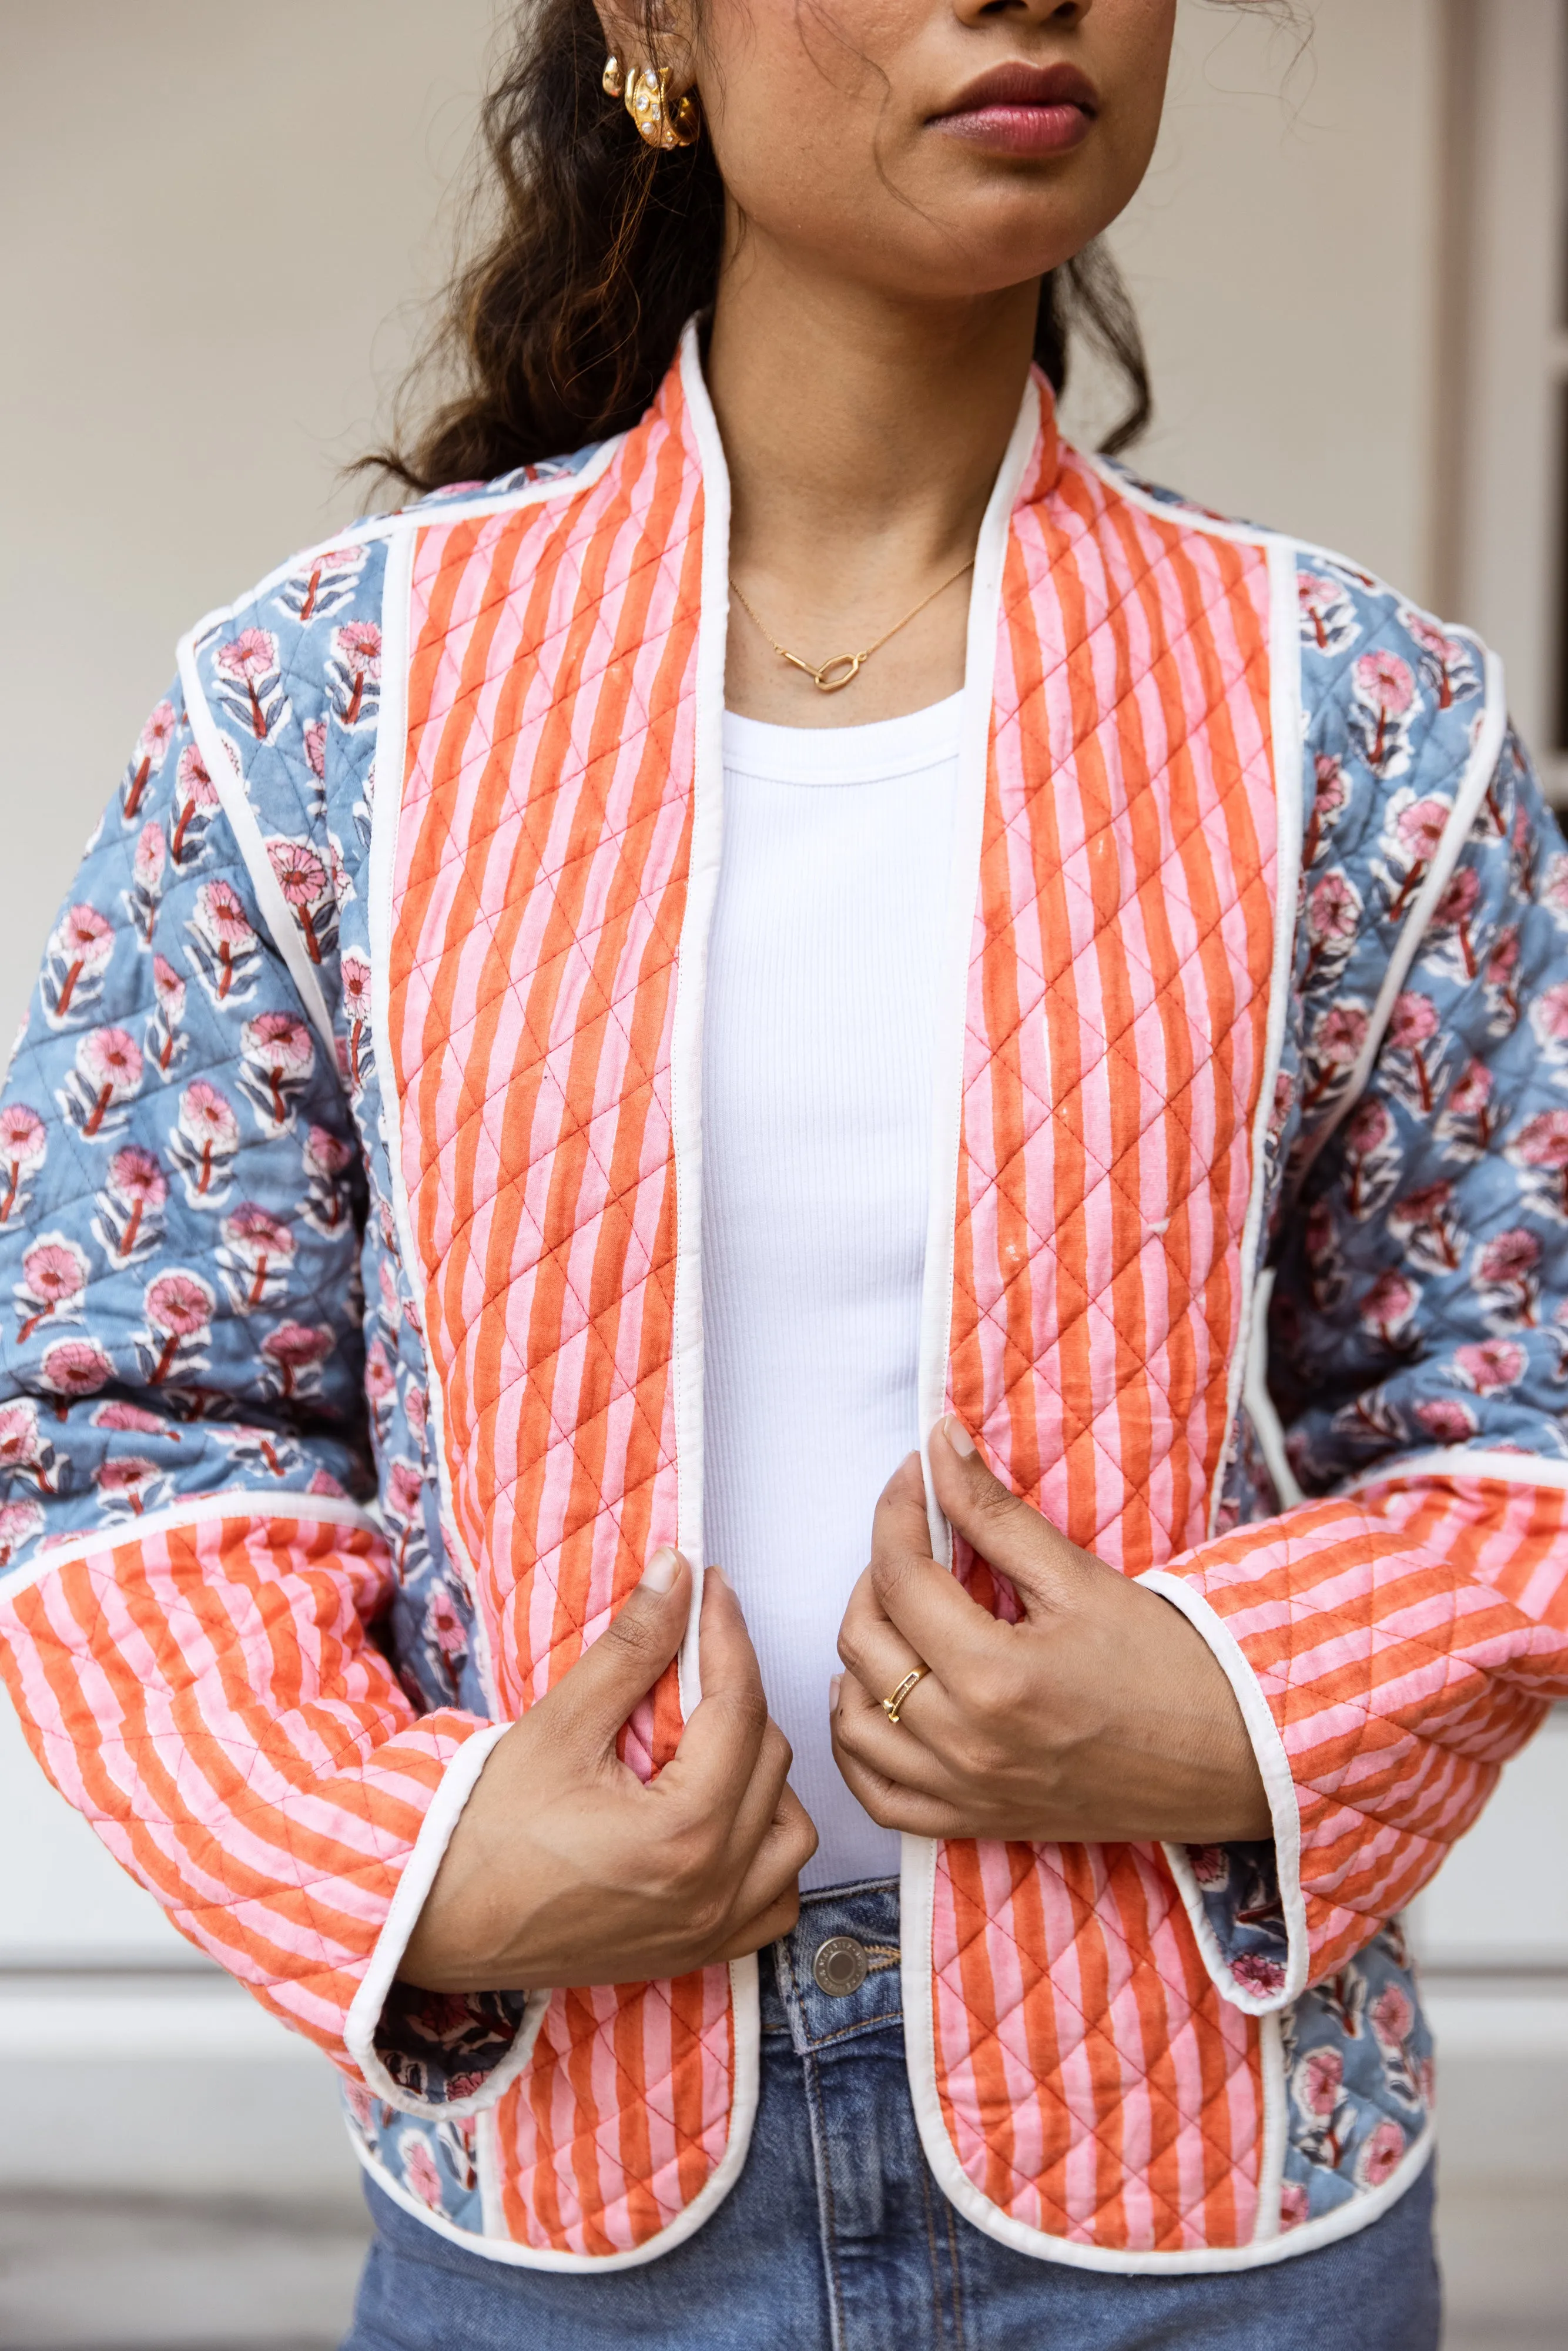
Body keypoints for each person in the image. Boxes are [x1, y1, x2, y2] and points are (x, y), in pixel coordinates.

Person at [2, 1, 1566, 2343]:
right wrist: (429, 1864)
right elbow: (106, 1409)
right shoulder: (332, 707)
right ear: (656, 28)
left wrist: (1215, 1703)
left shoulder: (1356, 717)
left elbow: (1517, 1394)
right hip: (562, 2206)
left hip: (1209, 2208)